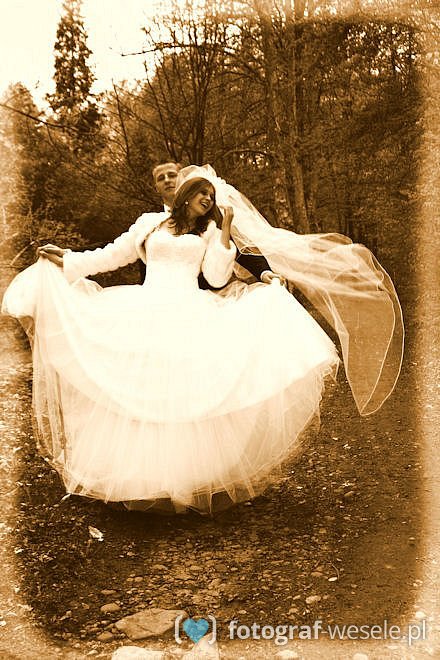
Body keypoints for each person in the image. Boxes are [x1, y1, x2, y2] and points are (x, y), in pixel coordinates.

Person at [2, 165, 404, 514]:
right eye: (202, 193)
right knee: (143, 392)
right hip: (146, 308)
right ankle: (141, 481)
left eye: (211, 197)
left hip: (189, 310)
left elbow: (214, 277)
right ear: (186, 194)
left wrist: (225, 231)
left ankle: (187, 481)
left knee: (185, 395)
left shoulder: (209, 231)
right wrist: (68, 258)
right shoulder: (149, 223)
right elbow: (111, 256)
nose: (208, 200)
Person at [146, 161, 283, 289]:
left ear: (183, 179)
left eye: (172, 175)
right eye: (161, 178)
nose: (167, 180)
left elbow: (239, 246)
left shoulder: (211, 215)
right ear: (156, 187)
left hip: (205, 294)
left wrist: (263, 272)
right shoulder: (150, 223)